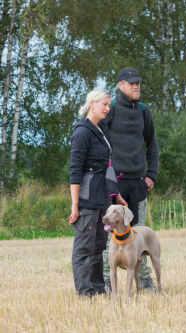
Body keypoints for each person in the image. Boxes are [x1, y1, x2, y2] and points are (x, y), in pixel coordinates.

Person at [101, 67, 159, 292]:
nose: (136, 86)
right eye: (131, 83)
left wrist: (151, 174)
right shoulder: (111, 109)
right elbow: (101, 146)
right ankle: (108, 281)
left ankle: (144, 281)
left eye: (138, 83)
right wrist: (108, 181)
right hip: (116, 182)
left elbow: (152, 144)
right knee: (113, 234)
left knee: (140, 233)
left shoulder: (144, 111)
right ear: (121, 85)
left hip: (139, 182)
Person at [69, 89, 127, 297]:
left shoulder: (99, 130)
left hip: (102, 198)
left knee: (99, 245)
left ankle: (97, 288)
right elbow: (75, 171)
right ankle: (85, 291)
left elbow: (107, 166)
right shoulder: (82, 132)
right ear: (92, 104)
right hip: (87, 199)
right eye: (104, 104)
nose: (107, 108)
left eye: (109, 105)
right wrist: (75, 204)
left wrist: (116, 195)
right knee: (84, 245)